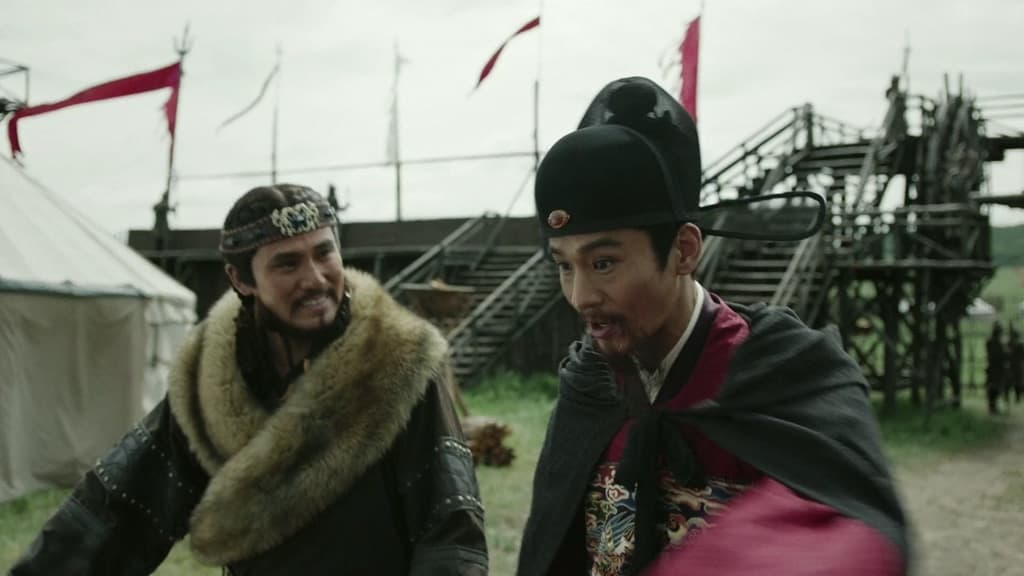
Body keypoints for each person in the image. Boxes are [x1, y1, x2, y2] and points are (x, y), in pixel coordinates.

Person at [517, 77, 910, 576]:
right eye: (564, 265)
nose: (580, 296)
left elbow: (851, 531)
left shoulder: (784, 373)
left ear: (683, 250)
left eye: (603, 264)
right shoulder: (589, 385)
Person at [10, 185, 488, 575]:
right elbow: (118, 512)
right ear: (241, 281)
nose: (315, 278)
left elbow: (450, 529)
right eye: (287, 263)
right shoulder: (213, 381)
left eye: (324, 253)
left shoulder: (399, 363)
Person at [987, 322, 1007, 414]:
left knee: (995, 387)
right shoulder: (995, 343)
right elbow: (999, 355)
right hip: (995, 368)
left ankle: (993, 406)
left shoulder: (993, 342)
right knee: (994, 388)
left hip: (996, 368)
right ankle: (992, 406)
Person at [1007, 325, 1023, 404]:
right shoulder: (1011, 344)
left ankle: (1017, 397)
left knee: (1018, 382)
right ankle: (1010, 397)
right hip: (1013, 366)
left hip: (1016, 366)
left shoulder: (1018, 345)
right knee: (1011, 382)